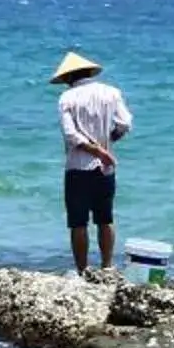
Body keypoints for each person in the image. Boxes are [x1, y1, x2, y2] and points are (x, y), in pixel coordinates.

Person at [48, 49, 132, 274]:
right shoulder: (111, 92)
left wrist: (95, 151)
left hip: (78, 167)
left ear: (68, 77)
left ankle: (83, 270)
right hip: (105, 168)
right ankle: (106, 266)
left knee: (78, 223)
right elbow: (125, 123)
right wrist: (106, 145)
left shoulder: (67, 98)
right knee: (105, 218)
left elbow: (71, 135)